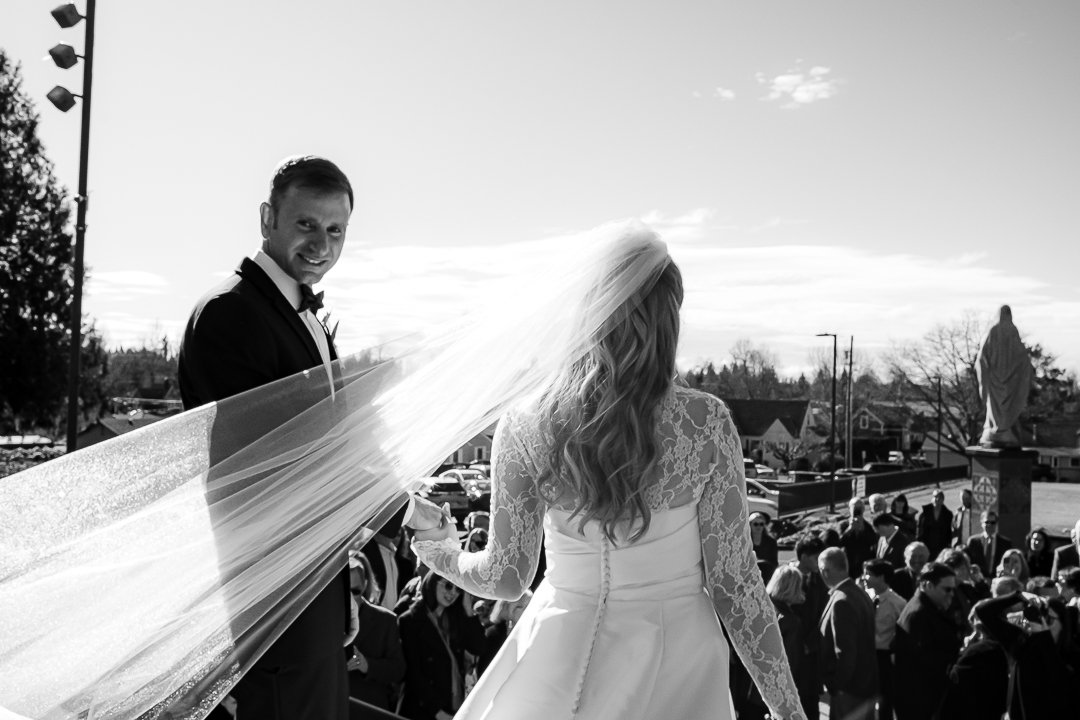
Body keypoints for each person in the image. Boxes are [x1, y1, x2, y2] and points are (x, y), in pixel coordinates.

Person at [409, 229, 806, 720]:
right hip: (677, 659)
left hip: (558, 650)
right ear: (667, 322)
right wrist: (789, 710)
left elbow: (507, 578)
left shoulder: (526, 422)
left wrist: (438, 549)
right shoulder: (705, 423)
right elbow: (736, 587)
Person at [177, 155, 357, 719]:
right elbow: (264, 465)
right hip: (272, 589)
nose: (321, 245)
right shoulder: (231, 313)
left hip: (313, 581)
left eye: (335, 231)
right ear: (266, 219)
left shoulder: (297, 313)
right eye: (305, 224)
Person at [397, 571, 486, 720]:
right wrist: (437, 712)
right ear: (432, 582)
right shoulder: (409, 620)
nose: (453, 593)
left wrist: (469, 611)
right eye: (448, 586)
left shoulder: (456, 619)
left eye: (458, 590)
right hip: (422, 710)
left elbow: (479, 647)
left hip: (451, 706)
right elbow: (413, 673)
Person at [891, 563, 961, 720]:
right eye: (947, 589)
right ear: (928, 586)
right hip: (920, 703)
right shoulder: (918, 614)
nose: (951, 594)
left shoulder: (927, 608)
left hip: (922, 699)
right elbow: (926, 661)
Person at [817, 548, 878, 720]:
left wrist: (836, 685)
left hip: (850, 690)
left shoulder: (841, 600)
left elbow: (844, 651)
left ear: (825, 571)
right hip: (864, 685)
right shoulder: (859, 594)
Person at [345, 553, 406, 714]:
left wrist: (367, 665)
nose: (350, 598)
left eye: (355, 591)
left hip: (370, 710)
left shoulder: (385, 620)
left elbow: (398, 670)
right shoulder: (325, 620)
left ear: (365, 585)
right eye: (345, 592)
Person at [862, 560, 906, 720]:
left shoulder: (898, 603)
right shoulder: (866, 597)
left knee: (885, 698)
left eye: (869, 574)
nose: (865, 578)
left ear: (881, 577)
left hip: (884, 656)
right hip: (866, 654)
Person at [793, 535, 829, 720]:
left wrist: (810, 644)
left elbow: (824, 617)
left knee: (810, 702)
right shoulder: (788, 577)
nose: (819, 563)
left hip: (810, 653)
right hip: (790, 650)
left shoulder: (820, 581)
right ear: (804, 556)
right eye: (816, 558)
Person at [965, 509, 1013, 577]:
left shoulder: (1005, 543)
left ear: (996, 524)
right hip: (978, 580)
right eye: (987, 522)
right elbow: (968, 563)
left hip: (997, 580)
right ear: (981, 523)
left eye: (992, 522)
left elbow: (1008, 564)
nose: (989, 525)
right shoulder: (973, 542)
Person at [840, 497, 877, 580]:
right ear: (849, 509)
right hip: (848, 563)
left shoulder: (868, 526)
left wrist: (863, 530)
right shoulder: (844, 525)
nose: (857, 509)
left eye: (859, 507)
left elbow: (873, 542)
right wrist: (849, 530)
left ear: (863, 509)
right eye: (854, 507)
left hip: (863, 564)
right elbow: (839, 543)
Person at [916, 489, 953, 560]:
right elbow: (919, 530)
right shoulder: (924, 514)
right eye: (935, 497)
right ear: (932, 498)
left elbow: (949, 532)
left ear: (943, 500)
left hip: (941, 548)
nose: (937, 499)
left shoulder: (948, 514)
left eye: (940, 497)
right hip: (926, 547)